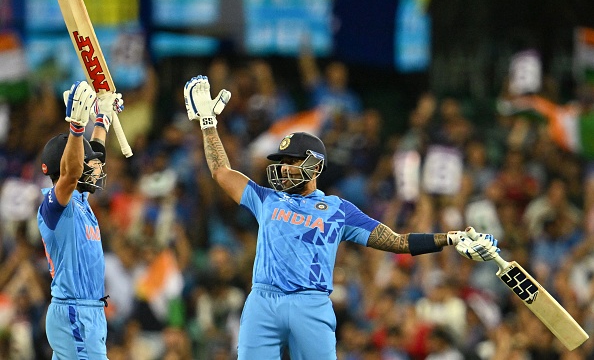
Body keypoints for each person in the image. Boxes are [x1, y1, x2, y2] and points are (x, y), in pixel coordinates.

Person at [183, 75, 500, 360]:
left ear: (315, 166)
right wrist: (208, 123)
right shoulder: (266, 198)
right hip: (263, 300)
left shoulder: (338, 210)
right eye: (281, 162)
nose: (282, 168)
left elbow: (397, 242)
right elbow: (221, 172)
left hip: (311, 303)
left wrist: (449, 238)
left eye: (292, 161)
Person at [37, 80, 122, 359]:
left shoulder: (81, 200)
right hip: (75, 312)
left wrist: (103, 119)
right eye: (89, 163)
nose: (97, 168)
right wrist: (76, 127)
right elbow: (72, 173)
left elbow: (92, 154)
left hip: (87, 312)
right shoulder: (56, 205)